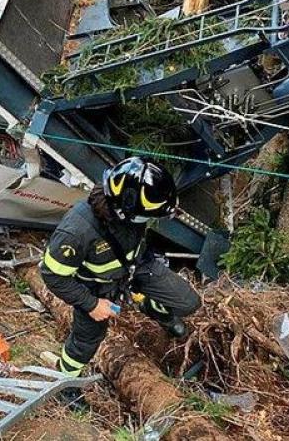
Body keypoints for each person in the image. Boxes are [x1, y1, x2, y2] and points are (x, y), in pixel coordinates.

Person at [39, 157, 202, 409]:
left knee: (188, 301)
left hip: (136, 267)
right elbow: (52, 275)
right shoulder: (76, 232)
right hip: (94, 288)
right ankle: (64, 383)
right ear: (123, 209)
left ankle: (151, 307)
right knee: (85, 342)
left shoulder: (134, 206)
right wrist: (91, 304)